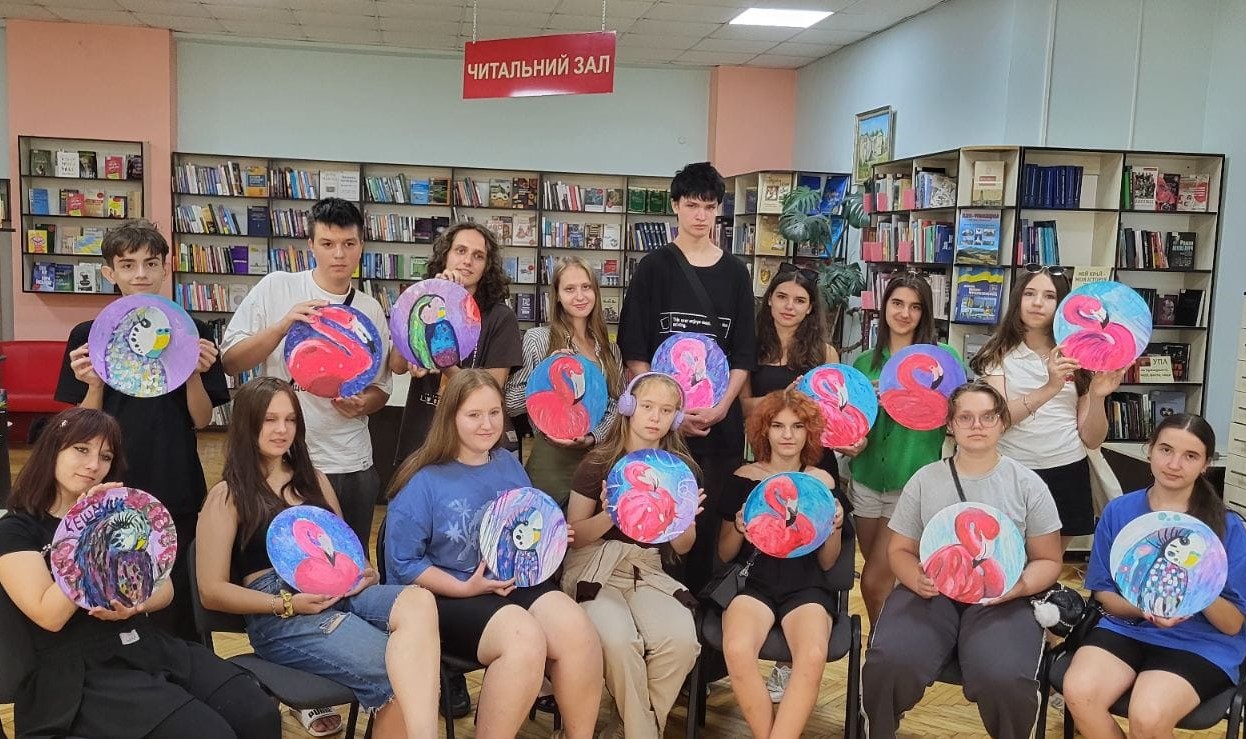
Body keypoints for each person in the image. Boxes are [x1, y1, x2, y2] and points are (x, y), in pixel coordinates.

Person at [0, 407, 279, 739]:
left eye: (105, 456)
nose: (93, 465)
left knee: (257, 713)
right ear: (52, 450)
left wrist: (136, 606)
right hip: (78, 670)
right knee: (207, 732)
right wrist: (87, 527)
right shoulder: (17, 529)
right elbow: (50, 615)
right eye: (81, 449)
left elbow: (164, 590)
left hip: (143, 642)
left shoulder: (122, 513)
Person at [195, 377, 441, 739]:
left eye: (290, 419)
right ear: (247, 424)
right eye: (269, 420)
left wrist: (364, 571)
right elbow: (211, 591)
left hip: (338, 588)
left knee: (420, 600)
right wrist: (286, 603)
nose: (282, 430)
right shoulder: (228, 495)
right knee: (400, 668)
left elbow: (346, 549)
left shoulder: (313, 479)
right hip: (281, 610)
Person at [384, 369, 603, 739]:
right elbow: (403, 564)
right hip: (448, 595)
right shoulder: (422, 480)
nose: (487, 424)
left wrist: (550, 535)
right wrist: (465, 588)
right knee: (523, 638)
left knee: (577, 629)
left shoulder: (507, 463)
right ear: (450, 417)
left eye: (494, 413)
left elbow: (524, 526)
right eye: (474, 415)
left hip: (509, 581)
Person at [54, 219, 230, 641]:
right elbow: (78, 430)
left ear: (165, 268)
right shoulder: (88, 335)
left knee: (177, 595)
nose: (140, 275)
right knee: (110, 582)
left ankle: (182, 664)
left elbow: (202, 419)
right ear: (109, 273)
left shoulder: (192, 330)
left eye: (151, 263)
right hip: (107, 481)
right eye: (127, 265)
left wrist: (192, 372)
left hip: (175, 478)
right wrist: (94, 383)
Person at [862, 382, 1063, 739]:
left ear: (1002, 422)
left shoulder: (1028, 485)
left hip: (1003, 597)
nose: (977, 425)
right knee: (890, 660)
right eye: (966, 417)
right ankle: (877, 730)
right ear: (950, 425)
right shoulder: (925, 480)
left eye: (987, 417)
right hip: (930, 593)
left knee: (1004, 678)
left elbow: (1048, 559)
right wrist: (914, 578)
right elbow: (899, 550)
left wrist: (1020, 587)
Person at [221, 197, 392, 552]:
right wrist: (282, 327)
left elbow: (381, 389)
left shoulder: (370, 309)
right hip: (282, 462)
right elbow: (231, 362)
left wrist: (363, 404)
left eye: (349, 244)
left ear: (361, 245)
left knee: (349, 561)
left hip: (350, 462)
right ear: (310, 245)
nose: (339, 255)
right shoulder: (278, 287)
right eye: (327, 244)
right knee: (282, 562)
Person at [616, 161, 756, 593]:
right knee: (663, 516)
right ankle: (662, 605)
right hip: (662, 428)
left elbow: (744, 353)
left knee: (709, 525)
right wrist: (670, 414)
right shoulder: (653, 268)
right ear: (675, 206)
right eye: (692, 205)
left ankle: (703, 621)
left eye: (709, 207)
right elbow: (634, 349)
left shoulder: (736, 273)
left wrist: (721, 407)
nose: (701, 215)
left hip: (720, 428)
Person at [1063, 413, 1246, 738]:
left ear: (1206, 464)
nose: (1174, 464)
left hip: (1200, 643)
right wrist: (1144, 610)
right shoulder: (1119, 511)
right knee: (1079, 692)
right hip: (1127, 627)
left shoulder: (1228, 527)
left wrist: (1198, 585)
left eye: (1190, 456)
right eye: (1166, 450)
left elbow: (1232, 624)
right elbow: (1104, 594)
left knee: (1147, 716)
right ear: (1149, 449)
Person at [563, 372, 703, 738]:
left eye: (666, 410)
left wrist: (682, 520)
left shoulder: (680, 471)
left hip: (646, 570)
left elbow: (683, 547)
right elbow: (574, 538)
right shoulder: (597, 463)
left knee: (681, 642)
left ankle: (625, 730)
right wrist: (612, 513)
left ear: (676, 418)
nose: (655, 417)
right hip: (594, 566)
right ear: (628, 407)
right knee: (619, 641)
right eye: (647, 406)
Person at [718, 389, 847, 739]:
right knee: (737, 648)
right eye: (778, 425)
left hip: (807, 586)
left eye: (797, 426)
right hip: (753, 584)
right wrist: (740, 528)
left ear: (809, 432)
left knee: (813, 654)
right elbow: (725, 554)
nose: (787, 435)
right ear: (765, 430)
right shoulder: (744, 477)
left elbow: (828, 561)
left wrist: (834, 527)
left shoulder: (822, 482)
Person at [970, 265, 1124, 549]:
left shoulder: (1078, 355)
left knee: (1050, 562)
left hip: (1067, 468)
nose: (1037, 303)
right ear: (1017, 299)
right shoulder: (998, 353)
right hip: (1012, 468)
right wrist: (1051, 387)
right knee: (1005, 555)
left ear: (1063, 305)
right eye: (1029, 294)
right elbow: (999, 420)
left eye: (1049, 296)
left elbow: (1092, 439)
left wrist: (1098, 396)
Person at [848, 271, 957, 626]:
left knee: (873, 580)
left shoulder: (943, 361)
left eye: (915, 306)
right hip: (866, 481)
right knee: (882, 577)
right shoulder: (864, 363)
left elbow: (957, 413)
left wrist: (916, 398)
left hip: (912, 484)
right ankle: (896, 640)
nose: (904, 313)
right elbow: (853, 428)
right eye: (897, 303)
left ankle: (880, 650)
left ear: (925, 313)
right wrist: (853, 440)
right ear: (884, 307)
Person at [391, 222, 524, 463]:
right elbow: (397, 365)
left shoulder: (501, 317)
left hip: (472, 444)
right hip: (421, 435)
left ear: (487, 266)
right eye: (460, 251)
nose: (467, 261)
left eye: (478, 256)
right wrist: (432, 295)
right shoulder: (422, 300)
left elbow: (489, 389)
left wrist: (442, 362)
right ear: (446, 256)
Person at [504, 256, 624, 506]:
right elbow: (511, 403)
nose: (580, 296)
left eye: (586, 287)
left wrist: (592, 437)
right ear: (557, 296)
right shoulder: (538, 339)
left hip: (596, 459)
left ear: (595, 291)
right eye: (569, 289)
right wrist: (545, 376)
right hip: (550, 462)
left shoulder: (610, 350)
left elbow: (616, 406)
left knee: (587, 530)